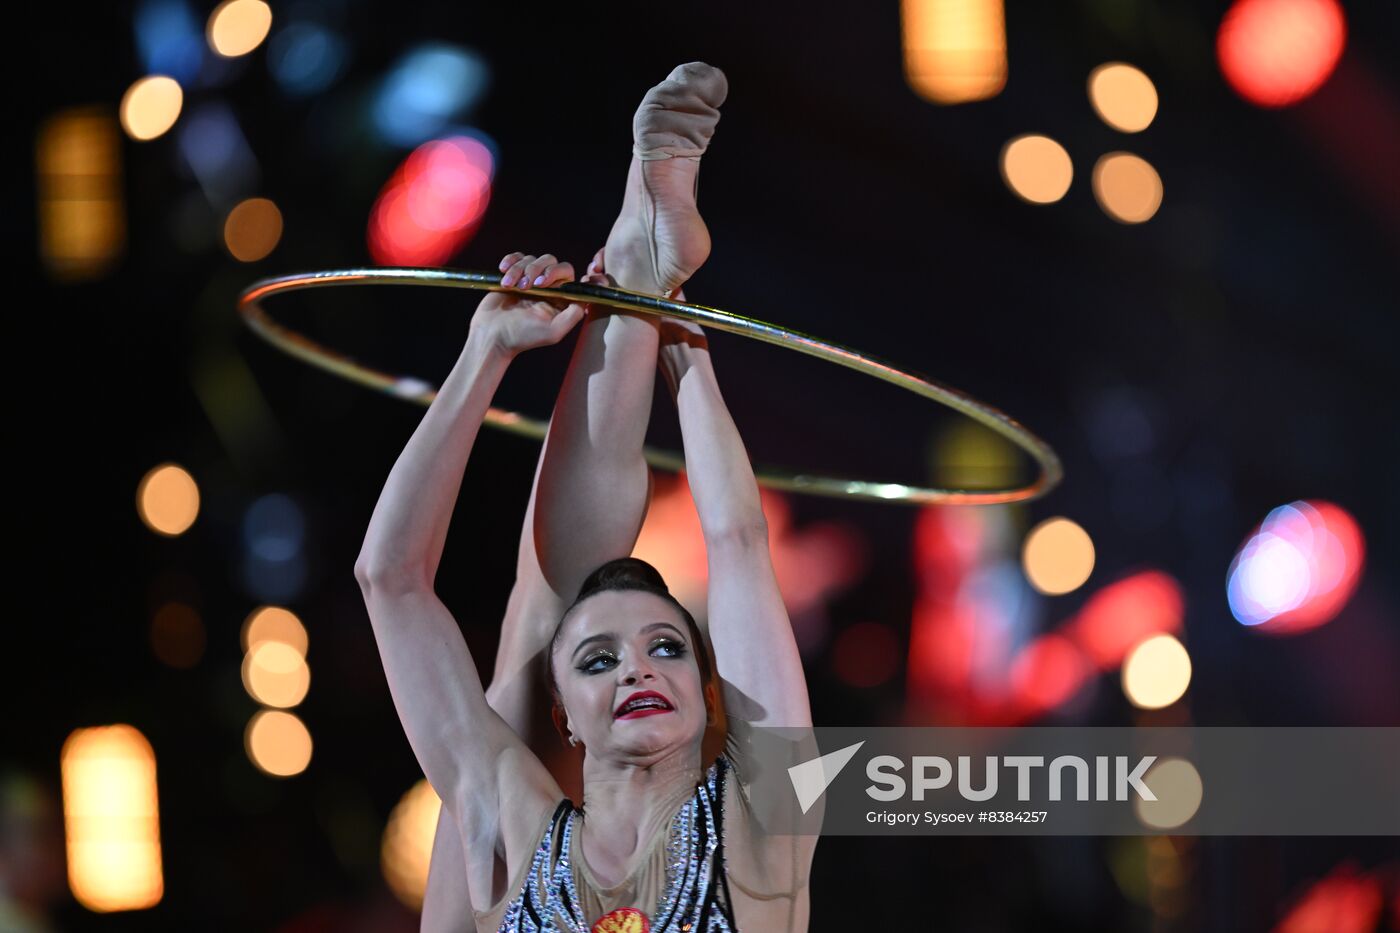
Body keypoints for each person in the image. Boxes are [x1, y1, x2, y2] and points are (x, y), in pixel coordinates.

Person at [355, 63, 814, 932]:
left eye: (666, 647)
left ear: (708, 687)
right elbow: (391, 581)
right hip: (512, 830)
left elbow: (743, 549)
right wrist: (687, 365)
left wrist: (483, 354)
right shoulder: (508, 824)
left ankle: (636, 269)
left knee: (549, 607)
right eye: (603, 663)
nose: (639, 667)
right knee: (536, 624)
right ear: (567, 716)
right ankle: (637, 268)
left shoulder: (765, 832)